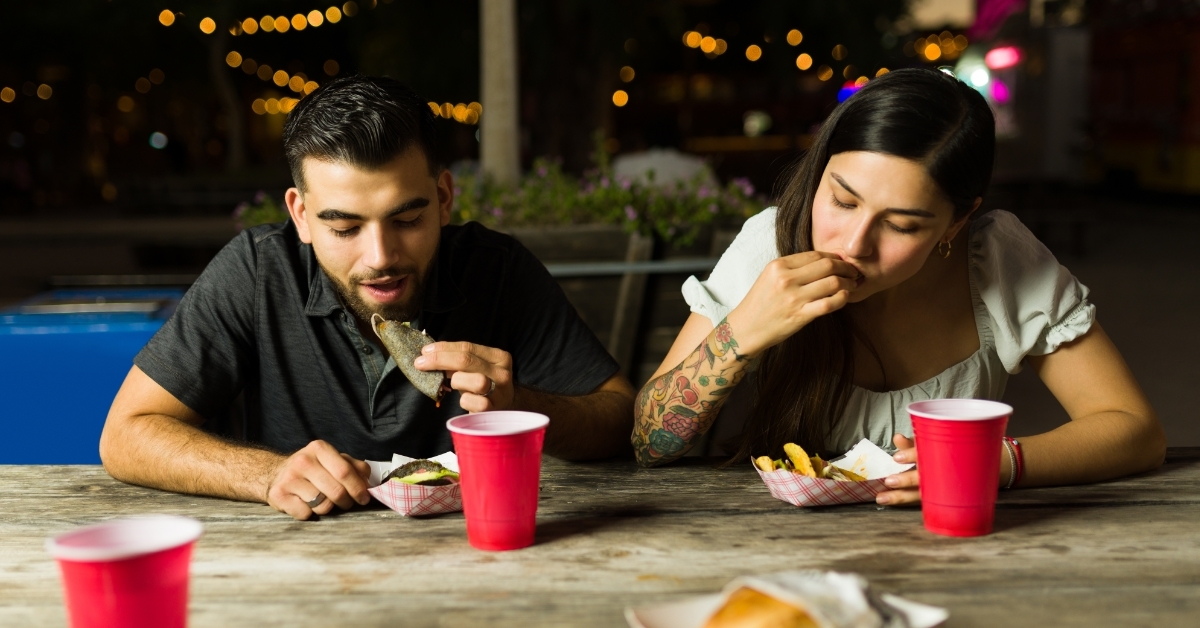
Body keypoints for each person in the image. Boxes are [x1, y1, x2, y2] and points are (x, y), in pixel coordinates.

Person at [101, 76, 635, 520]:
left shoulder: (496, 268)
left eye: (407, 220)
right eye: (344, 228)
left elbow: (619, 415)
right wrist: (268, 474)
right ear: (302, 215)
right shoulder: (257, 270)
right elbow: (125, 435)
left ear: (444, 199)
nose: (380, 257)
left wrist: (523, 407)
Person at [632, 68, 1165, 505]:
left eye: (903, 225)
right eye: (842, 201)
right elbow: (647, 443)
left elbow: (1134, 430)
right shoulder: (771, 248)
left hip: (954, 547)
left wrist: (988, 464)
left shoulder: (995, 258)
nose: (854, 244)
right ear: (820, 174)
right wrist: (742, 332)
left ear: (956, 224)